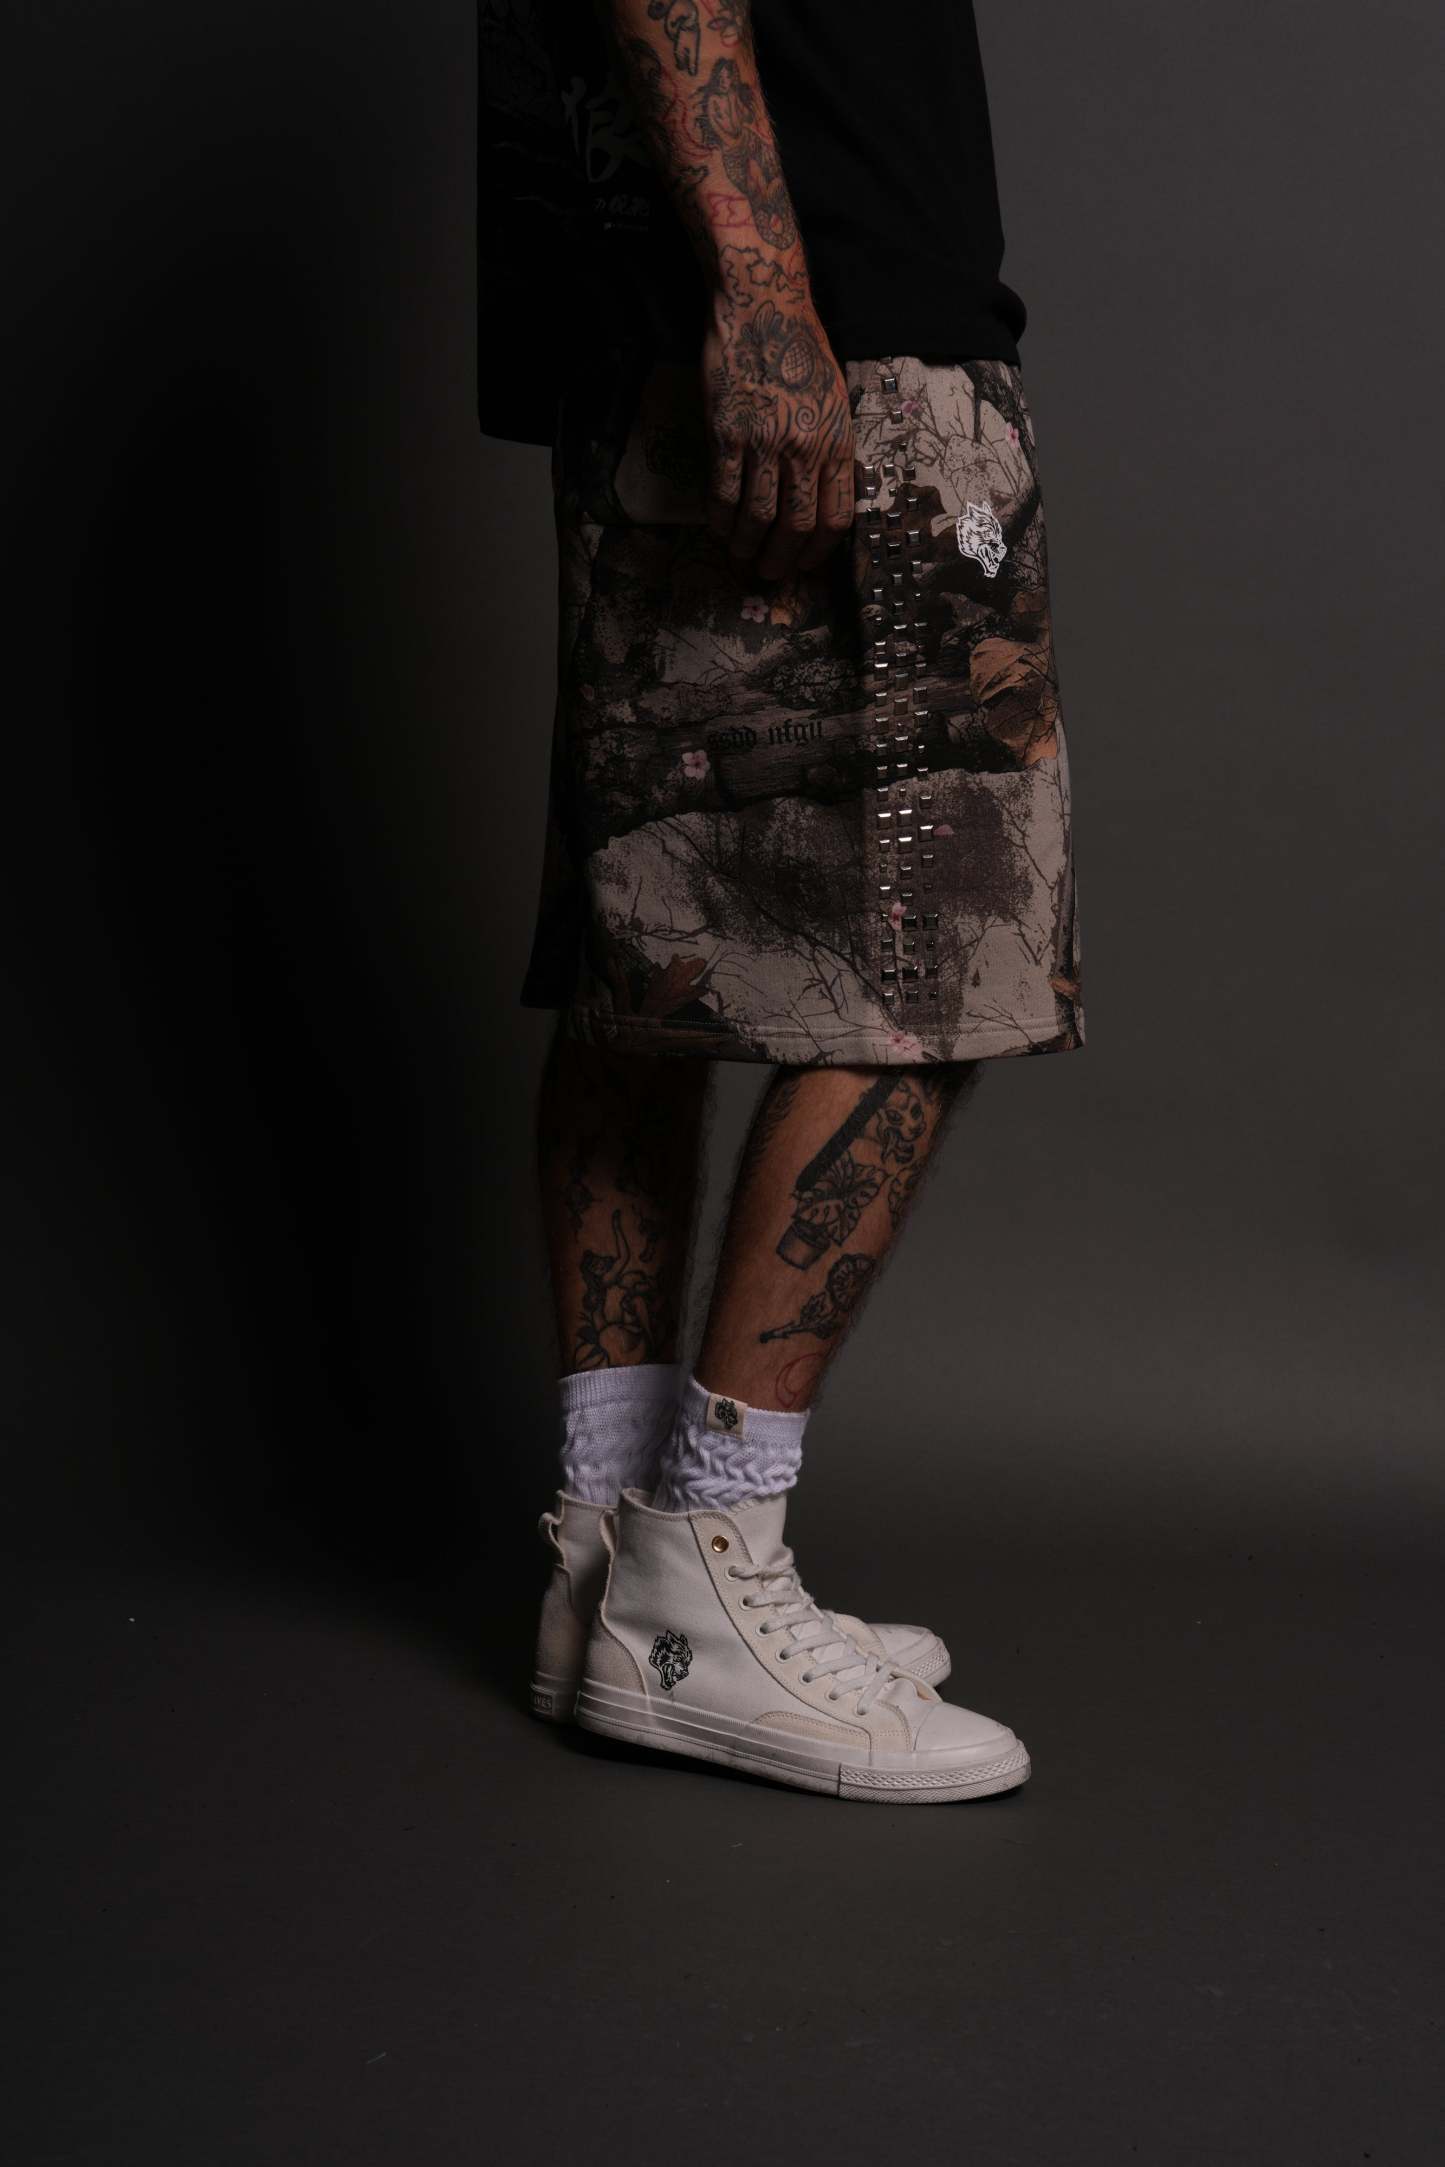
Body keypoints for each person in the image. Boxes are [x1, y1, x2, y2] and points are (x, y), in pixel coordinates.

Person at [478, 0, 1083, 1803]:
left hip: (650, 328)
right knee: (936, 951)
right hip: (827, 328)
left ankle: (610, 1573)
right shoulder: (799, 304)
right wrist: (763, 292)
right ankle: (708, 1570)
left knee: (650, 953)